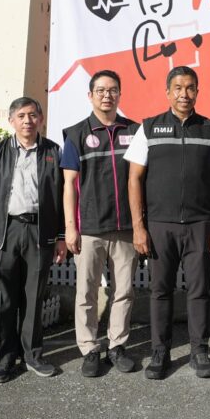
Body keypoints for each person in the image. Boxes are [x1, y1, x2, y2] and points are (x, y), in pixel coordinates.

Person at [125, 66, 210, 380]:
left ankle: (200, 351)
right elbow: (134, 179)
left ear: (197, 92)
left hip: (200, 225)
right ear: (167, 92)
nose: (184, 94)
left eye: (190, 88)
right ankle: (160, 352)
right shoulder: (149, 128)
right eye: (178, 88)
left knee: (199, 291)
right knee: (160, 291)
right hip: (159, 225)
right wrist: (139, 227)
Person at [0, 97, 65, 383]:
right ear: (11, 120)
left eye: (33, 115)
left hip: (40, 231)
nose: (28, 121)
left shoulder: (54, 151)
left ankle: (33, 355)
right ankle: (4, 359)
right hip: (6, 231)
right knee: (3, 298)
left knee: (34, 296)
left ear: (41, 119)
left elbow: (63, 196)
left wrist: (61, 236)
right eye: (22, 115)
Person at [61, 70, 140, 378]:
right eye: (101, 90)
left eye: (113, 90)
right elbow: (69, 184)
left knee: (124, 291)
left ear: (120, 94)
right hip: (90, 228)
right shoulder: (76, 134)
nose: (107, 95)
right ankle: (90, 348)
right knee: (87, 293)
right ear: (90, 95)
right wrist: (71, 227)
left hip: (125, 228)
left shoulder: (134, 130)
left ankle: (117, 345)